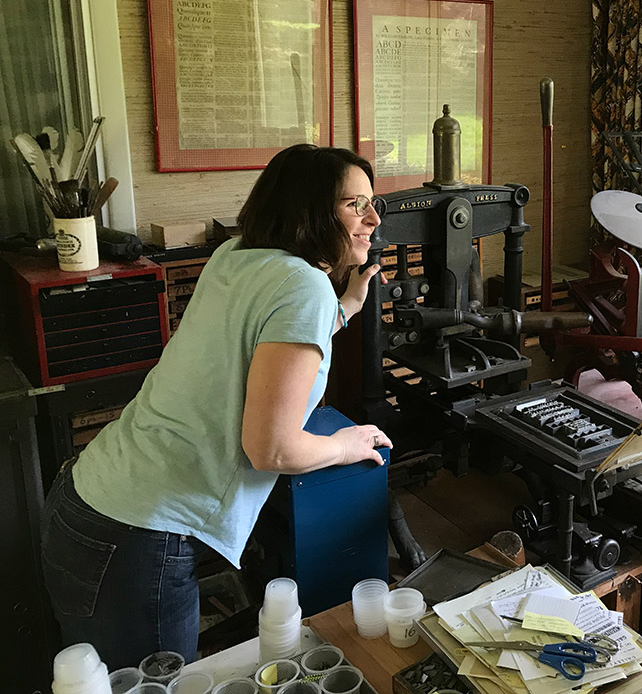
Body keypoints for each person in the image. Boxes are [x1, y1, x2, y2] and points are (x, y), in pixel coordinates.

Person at [39, 144, 391, 668]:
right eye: (353, 204)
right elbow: (271, 446)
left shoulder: (237, 255)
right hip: (140, 538)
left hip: (86, 504)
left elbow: (256, 339)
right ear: (310, 211)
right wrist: (344, 445)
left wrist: (345, 308)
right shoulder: (305, 288)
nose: (373, 217)